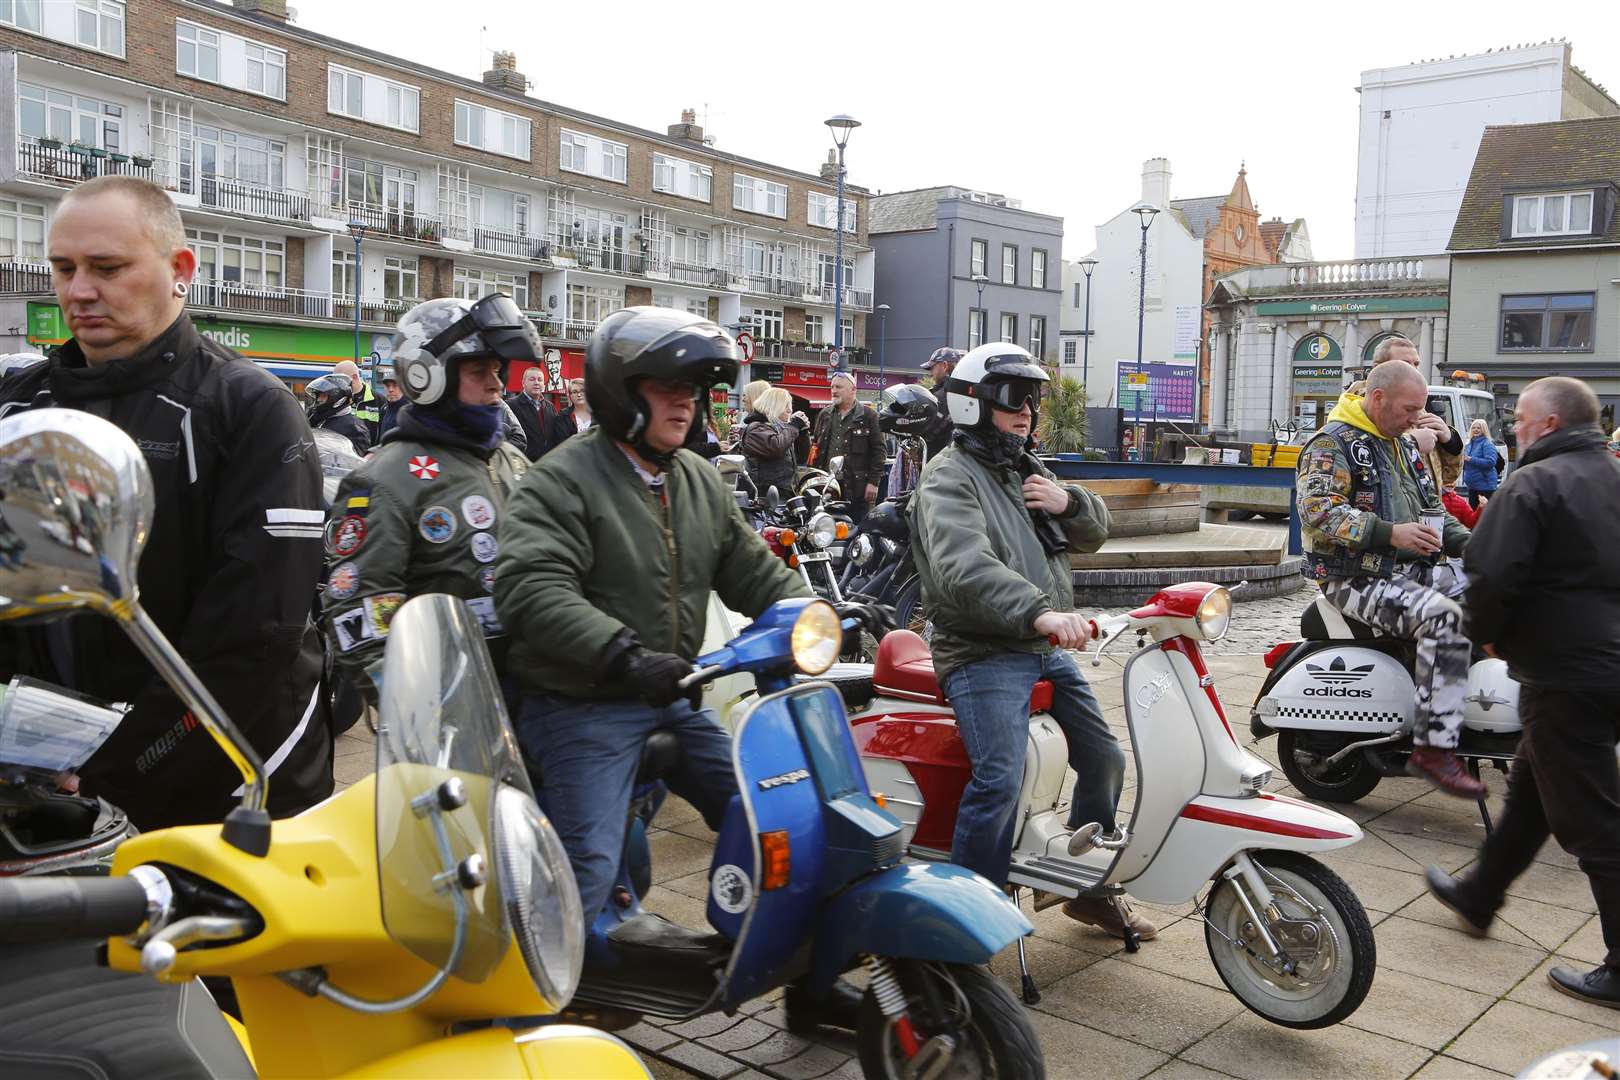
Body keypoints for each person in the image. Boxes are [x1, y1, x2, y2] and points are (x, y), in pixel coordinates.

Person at [495, 307, 872, 1030]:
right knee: (585, 869)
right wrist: (620, 654)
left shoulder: (696, 480)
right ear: (617, 392)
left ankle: (812, 988)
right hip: (582, 704)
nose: (685, 402)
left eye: (694, 390)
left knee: (785, 823)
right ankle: (523, 1020)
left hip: (674, 694)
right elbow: (530, 589)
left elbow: (756, 575)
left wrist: (831, 615)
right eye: (666, 386)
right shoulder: (560, 481)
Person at [0, 175, 330, 831]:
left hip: (227, 778)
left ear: (181, 270)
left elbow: (256, 631)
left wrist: (116, 766)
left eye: (107, 267)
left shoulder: (250, 408)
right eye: (63, 268)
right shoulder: (19, 406)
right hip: (49, 777)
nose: (79, 291)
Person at [907, 342, 1152, 940]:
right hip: (982, 651)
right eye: (1014, 399)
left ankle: (1084, 890)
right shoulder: (948, 479)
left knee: (1105, 757)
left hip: (1036, 646)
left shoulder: (1022, 465)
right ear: (973, 405)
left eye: (1033, 401)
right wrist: (1040, 613)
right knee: (1001, 776)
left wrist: (1070, 502)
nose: (1027, 413)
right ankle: (969, 915)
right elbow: (963, 567)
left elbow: (1092, 532)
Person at [1425, 376, 1620, 1010]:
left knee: (1593, 822)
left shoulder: (1532, 483)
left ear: (1550, 424)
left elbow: (1489, 569)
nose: (1514, 429)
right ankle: (1480, 894)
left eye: (1522, 420)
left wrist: (1487, 638)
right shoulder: (1614, 475)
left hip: (1567, 673)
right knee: (1535, 786)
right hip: (1605, 668)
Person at [321, 295, 532, 692]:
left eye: (497, 369)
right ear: (427, 375)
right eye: (478, 370)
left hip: (535, 702)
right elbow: (359, 614)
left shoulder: (512, 462)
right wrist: (416, 705)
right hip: (455, 709)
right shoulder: (384, 480)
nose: (497, 383)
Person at [1297, 360, 1480, 797]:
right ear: (1377, 399)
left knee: (1497, 589)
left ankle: (1474, 704)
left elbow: (1433, 508)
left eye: (1420, 409)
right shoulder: (1332, 444)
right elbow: (1318, 510)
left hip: (1407, 570)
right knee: (1442, 618)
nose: (1417, 419)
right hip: (1354, 577)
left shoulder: (1400, 444)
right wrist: (1389, 533)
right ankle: (1434, 748)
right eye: (1409, 409)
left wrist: (1477, 546)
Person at [811, 370, 885, 523]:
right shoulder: (825, 414)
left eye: (839, 387)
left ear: (853, 390)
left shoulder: (869, 416)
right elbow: (816, 447)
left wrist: (873, 482)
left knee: (858, 529)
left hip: (857, 487)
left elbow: (879, 451)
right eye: (832, 387)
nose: (834, 391)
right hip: (828, 486)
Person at [739, 386, 806, 497]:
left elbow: (801, 457)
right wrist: (794, 426)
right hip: (765, 495)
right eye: (786, 406)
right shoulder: (756, 428)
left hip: (782, 491)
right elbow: (775, 447)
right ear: (774, 407)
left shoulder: (780, 428)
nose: (790, 410)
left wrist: (802, 432)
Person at [303, 372, 372, 456]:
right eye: (318, 396)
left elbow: (356, 461)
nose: (319, 400)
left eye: (324, 396)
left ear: (338, 398)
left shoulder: (354, 427)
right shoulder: (315, 418)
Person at [505, 365, 557, 462]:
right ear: (523, 383)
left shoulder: (550, 407)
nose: (536, 383)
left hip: (546, 463)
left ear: (544, 384)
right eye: (532, 379)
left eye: (540, 380)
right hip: (522, 463)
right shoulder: (511, 405)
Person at [919, 346, 962, 458]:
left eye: (932, 368)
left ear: (944, 365)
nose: (930, 373)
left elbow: (929, 429)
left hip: (939, 458)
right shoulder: (962, 390)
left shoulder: (944, 393)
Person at [333, 359, 380, 443]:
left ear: (354, 377)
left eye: (341, 381)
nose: (338, 385)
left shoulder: (379, 401)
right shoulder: (336, 401)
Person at [1461, 418, 1500, 510]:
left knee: (1484, 516)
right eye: (1473, 428)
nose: (1476, 430)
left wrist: (1471, 459)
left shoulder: (1487, 444)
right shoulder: (1469, 444)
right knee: (1473, 515)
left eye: (1479, 428)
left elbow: (1491, 462)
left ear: (1484, 430)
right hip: (1472, 486)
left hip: (1485, 487)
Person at [549, 377, 593, 445]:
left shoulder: (599, 414)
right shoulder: (562, 416)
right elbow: (562, 443)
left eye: (583, 390)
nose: (579, 395)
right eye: (575, 392)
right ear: (570, 396)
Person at [376, 366, 405, 442]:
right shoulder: (384, 409)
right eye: (388, 386)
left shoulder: (409, 412)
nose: (390, 390)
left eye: (395, 386)